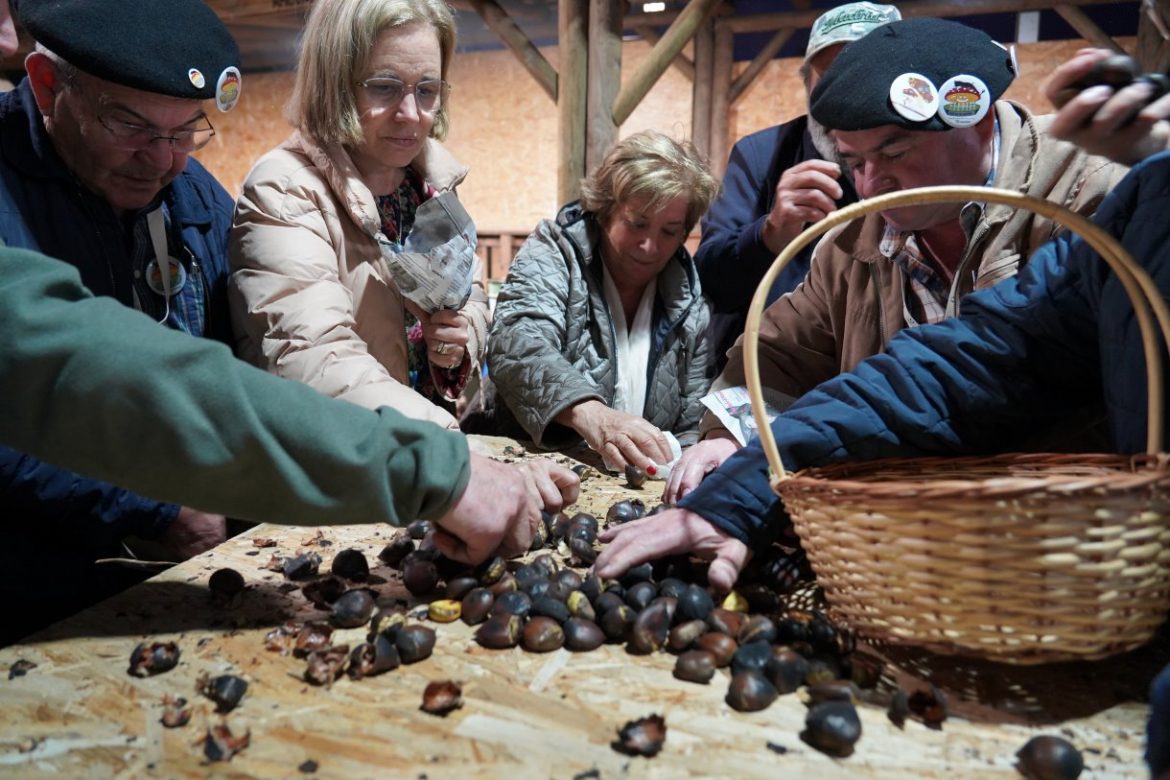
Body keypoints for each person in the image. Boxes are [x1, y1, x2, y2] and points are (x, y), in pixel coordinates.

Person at [664, 17, 1128, 504]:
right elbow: (776, 353)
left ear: (980, 121)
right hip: (905, 534)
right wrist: (728, 437)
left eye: (895, 152)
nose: (869, 186)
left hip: (1069, 525)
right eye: (855, 163)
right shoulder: (849, 245)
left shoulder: (1086, 199)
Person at [0, 0, 245, 640]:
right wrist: (150, 508)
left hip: (177, 586)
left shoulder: (196, 201)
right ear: (48, 85)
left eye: (184, 130)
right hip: (30, 602)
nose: (162, 162)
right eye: (130, 125)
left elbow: (241, 371)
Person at [229, 0, 488, 430]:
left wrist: (460, 339)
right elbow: (314, 358)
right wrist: (449, 445)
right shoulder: (287, 189)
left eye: (427, 90)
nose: (411, 115)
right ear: (335, 84)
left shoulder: (430, 183)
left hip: (422, 455)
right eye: (385, 87)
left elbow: (472, 296)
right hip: (348, 464)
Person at [485, 131, 720, 474]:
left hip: (634, 491)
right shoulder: (556, 252)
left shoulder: (687, 298)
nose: (650, 246)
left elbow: (689, 423)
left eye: (669, 231)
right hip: (531, 475)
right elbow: (517, 344)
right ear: (605, 210)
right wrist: (593, 415)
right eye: (637, 224)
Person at [696, 1, 899, 374]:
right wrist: (769, 233)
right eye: (830, 79)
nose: (846, 98)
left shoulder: (926, 158)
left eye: (865, 76)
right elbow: (707, 281)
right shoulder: (761, 155)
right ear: (807, 82)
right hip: (776, 372)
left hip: (888, 371)